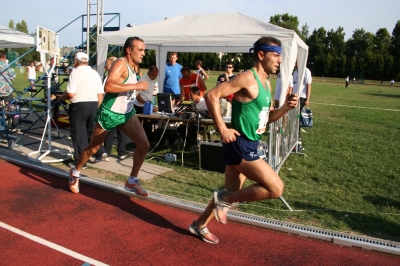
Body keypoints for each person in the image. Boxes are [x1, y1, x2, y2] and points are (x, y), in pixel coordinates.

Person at [188, 36, 299, 244]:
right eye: (276, 55)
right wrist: (222, 129)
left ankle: (199, 224)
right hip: (240, 144)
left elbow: (267, 118)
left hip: (250, 142)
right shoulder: (248, 78)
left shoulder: (266, 83)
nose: (280, 60)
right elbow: (211, 95)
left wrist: (285, 109)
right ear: (261, 55)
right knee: (275, 188)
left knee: (230, 190)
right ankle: (225, 201)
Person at [68, 37, 150, 197]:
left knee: (144, 144)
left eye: (144, 50)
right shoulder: (120, 63)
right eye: (140, 50)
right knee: (93, 148)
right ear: (129, 50)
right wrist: (136, 86)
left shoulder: (134, 67)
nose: (143, 54)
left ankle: (132, 180)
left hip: (126, 113)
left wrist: (136, 91)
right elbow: (108, 86)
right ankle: (75, 171)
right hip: (110, 113)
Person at [58, 52, 108, 168]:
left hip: (79, 106)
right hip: (94, 104)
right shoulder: (94, 73)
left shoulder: (75, 73)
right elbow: (100, 94)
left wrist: (61, 97)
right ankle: (101, 151)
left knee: (79, 134)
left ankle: (81, 162)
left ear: (75, 62)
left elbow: (70, 93)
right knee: (91, 132)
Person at [102, 56, 127, 160]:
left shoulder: (115, 77)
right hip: (114, 107)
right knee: (112, 131)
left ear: (112, 65)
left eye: (107, 64)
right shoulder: (107, 76)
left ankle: (119, 152)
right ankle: (111, 152)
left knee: (117, 131)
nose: (105, 66)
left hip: (115, 106)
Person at [134, 65, 159, 140]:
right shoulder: (143, 80)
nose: (155, 78)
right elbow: (137, 94)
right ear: (149, 73)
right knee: (143, 124)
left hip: (148, 104)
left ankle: (148, 140)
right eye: (154, 76)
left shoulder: (152, 79)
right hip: (140, 105)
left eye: (156, 76)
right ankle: (141, 140)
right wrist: (146, 103)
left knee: (149, 123)